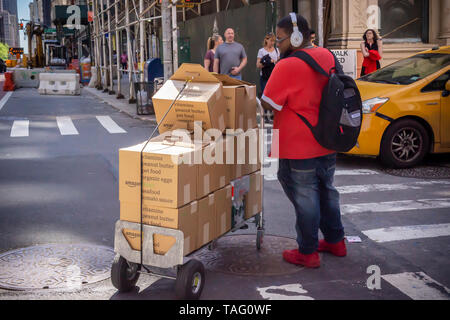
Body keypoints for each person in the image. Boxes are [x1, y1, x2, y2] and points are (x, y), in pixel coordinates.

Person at [260, 13, 346, 268]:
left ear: (296, 37)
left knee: (304, 194)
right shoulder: (327, 55)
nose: (278, 45)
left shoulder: (286, 65)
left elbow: (270, 102)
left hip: (297, 143)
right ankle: (335, 240)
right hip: (327, 138)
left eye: (281, 39)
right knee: (327, 190)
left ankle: (307, 252)